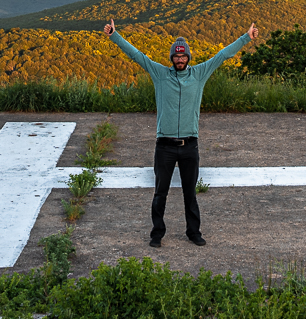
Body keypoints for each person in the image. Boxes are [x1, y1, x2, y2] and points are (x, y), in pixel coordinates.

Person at [103, 17, 259, 247]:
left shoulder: (199, 74)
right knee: (160, 193)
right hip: (164, 146)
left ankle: (193, 232)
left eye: (183, 56)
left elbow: (222, 56)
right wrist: (114, 36)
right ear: (171, 58)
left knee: (190, 193)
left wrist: (246, 37)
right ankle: (157, 233)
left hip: (190, 145)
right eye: (176, 57)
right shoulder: (160, 74)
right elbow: (137, 55)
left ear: (188, 58)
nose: (180, 60)